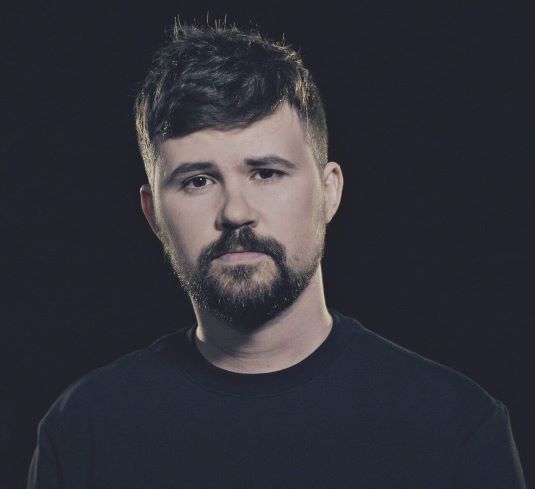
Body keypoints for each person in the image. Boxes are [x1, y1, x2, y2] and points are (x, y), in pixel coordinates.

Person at [27, 21, 526, 488]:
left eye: (266, 173)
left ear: (329, 192)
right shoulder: (84, 432)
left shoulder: (456, 428)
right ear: (153, 214)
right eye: (198, 181)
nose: (235, 212)